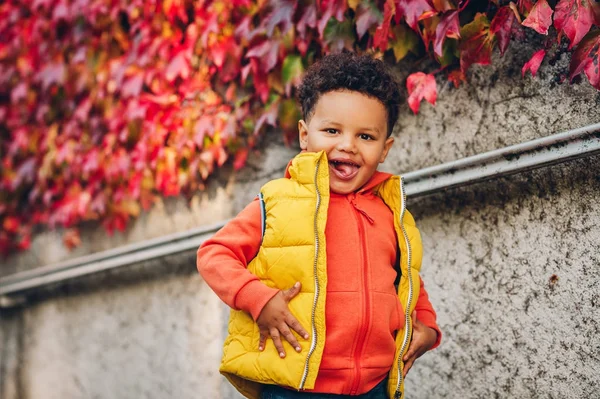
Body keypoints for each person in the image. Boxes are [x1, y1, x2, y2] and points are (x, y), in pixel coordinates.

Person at [197, 51, 441, 399]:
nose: (347, 145)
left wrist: (428, 327)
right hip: (295, 383)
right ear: (304, 134)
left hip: (374, 386)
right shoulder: (278, 200)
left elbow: (408, 278)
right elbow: (214, 254)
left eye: (366, 137)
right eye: (332, 130)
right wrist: (259, 300)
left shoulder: (390, 212)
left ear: (385, 149)